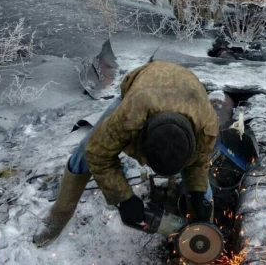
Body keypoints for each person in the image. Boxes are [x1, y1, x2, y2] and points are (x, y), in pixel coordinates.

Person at [33, 61, 218, 246]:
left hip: (188, 91)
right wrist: (124, 198)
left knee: (201, 194)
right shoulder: (130, 116)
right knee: (85, 149)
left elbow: (199, 161)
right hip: (143, 87)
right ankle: (57, 217)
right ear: (140, 139)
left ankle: (203, 228)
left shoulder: (207, 127)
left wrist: (197, 193)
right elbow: (98, 154)